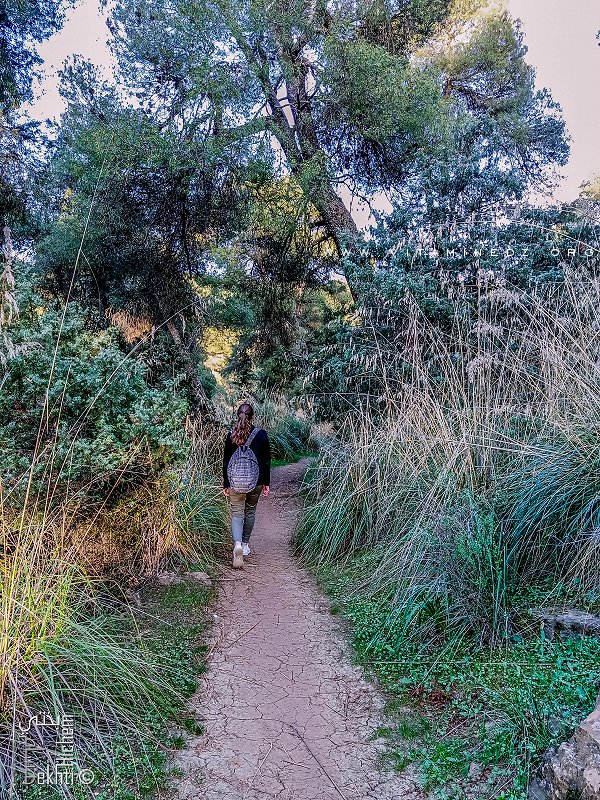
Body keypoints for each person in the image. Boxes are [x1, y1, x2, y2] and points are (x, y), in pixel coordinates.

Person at [222, 403, 270, 568]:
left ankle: (236, 545)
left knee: (237, 514)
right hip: (255, 481)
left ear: (238, 416)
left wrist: (226, 484)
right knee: (250, 511)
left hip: (235, 482)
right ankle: (245, 545)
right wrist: (266, 483)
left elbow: (226, 461)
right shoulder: (262, 435)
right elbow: (266, 461)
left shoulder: (231, 435)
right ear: (252, 416)